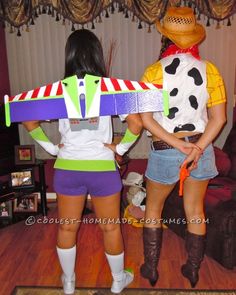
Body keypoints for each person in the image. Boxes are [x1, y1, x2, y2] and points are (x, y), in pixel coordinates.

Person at [23, 29, 143, 295]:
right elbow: (136, 124)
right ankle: (117, 280)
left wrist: (53, 148)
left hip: (67, 169)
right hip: (102, 169)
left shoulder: (58, 91)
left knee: (67, 227)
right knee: (110, 227)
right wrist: (119, 148)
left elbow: (29, 121)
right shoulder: (110, 89)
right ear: (97, 55)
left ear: (70, 56)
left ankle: (68, 282)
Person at [139, 6, 226, 288]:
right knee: (195, 210)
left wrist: (177, 144)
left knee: (153, 209)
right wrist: (197, 148)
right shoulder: (210, 70)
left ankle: (151, 270)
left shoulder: (153, 72)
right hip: (202, 150)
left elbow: (144, 120)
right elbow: (220, 118)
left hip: (166, 149)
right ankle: (193, 269)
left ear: (165, 37)